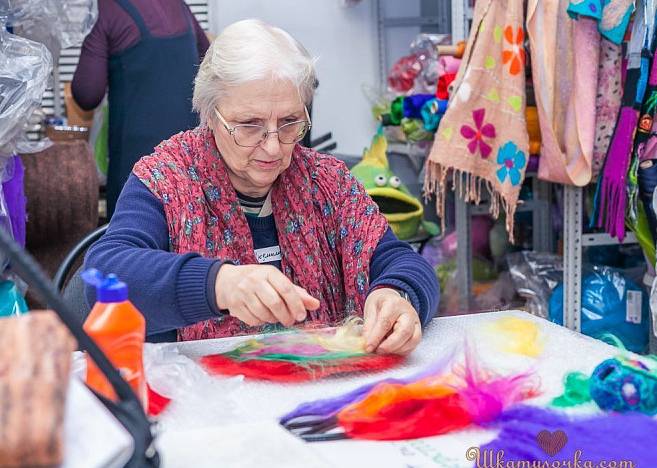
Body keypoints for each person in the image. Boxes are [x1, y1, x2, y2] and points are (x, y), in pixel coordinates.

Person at [84, 20, 439, 356]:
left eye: (289, 122)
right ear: (210, 115)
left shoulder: (328, 182)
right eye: (249, 125)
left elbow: (401, 261)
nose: (273, 147)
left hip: (317, 386)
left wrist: (398, 294)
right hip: (201, 393)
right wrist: (219, 284)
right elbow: (104, 276)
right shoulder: (165, 179)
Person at [71, 0, 210, 215]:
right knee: (190, 226)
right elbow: (206, 60)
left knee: (135, 230)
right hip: (191, 151)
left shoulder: (105, 8)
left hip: (137, 159)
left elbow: (86, 94)